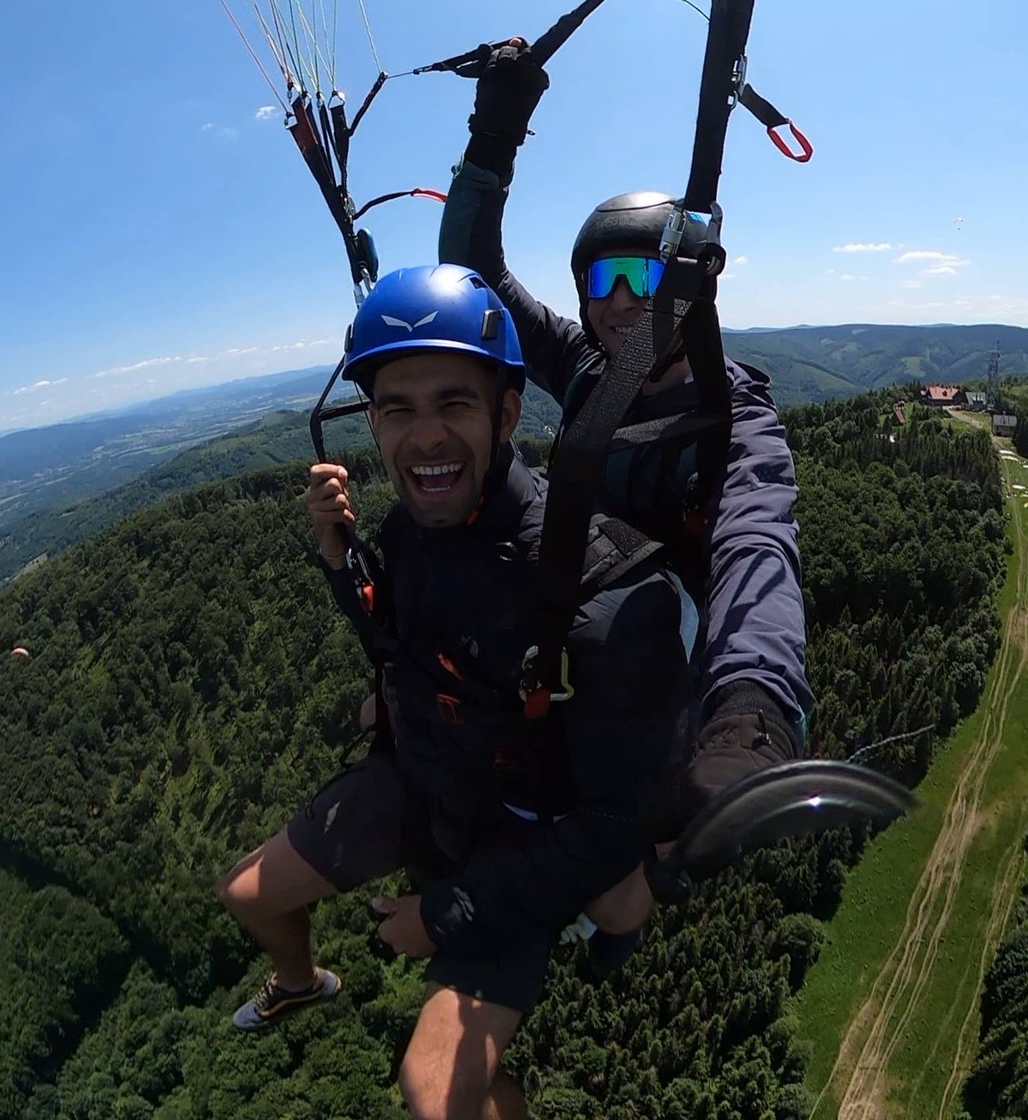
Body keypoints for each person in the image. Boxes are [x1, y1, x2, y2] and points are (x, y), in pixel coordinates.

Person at [216, 264, 692, 1120]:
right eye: (396, 409)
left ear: (507, 414)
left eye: (453, 404)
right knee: (246, 894)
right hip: (436, 771)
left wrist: (443, 915)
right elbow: (397, 640)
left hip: (523, 833)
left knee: (435, 1095)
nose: (424, 437)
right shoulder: (408, 526)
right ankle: (302, 982)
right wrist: (340, 561)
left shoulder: (600, 591)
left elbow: (606, 830)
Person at [437, 41, 813, 841]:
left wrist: (754, 704)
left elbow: (758, 544)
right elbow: (477, 275)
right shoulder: (583, 366)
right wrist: (493, 140)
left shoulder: (731, 417)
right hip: (567, 617)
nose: (615, 303)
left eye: (639, 279)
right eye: (598, 282)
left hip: (651, 650)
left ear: (684, 287)